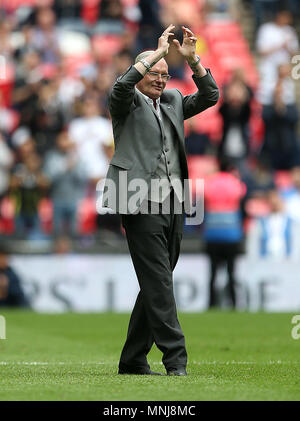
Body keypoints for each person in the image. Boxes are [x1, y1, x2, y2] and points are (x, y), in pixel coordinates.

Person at [102, 24, 219, 375]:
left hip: (174, 201)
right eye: (154, 72)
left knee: (158, 279)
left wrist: (193, 61)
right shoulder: (125, 103)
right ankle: (175, 359)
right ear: (142, 71)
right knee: (160, 281)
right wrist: (156, 52)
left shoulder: (171, 101)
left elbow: (210, 95)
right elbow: (121, 85)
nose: (161, 79)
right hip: (138, 200)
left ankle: (133, 359)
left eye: (166, 74)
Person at [203, 159, 246, 309]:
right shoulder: (235, 183)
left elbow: (202, 198)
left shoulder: (210, 181)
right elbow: (241, 197)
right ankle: (233, 303)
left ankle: (211, 304)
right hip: (231, 235)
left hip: (213, 234)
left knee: (213, 274)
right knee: (232, 273)